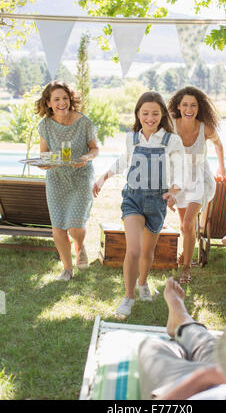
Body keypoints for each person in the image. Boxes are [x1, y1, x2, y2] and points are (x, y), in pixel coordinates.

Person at [93, 91, 185, 317]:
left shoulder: (171, 140)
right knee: (133, 250)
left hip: (157, 201)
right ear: (138, 114)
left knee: (147, 251)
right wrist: (103, 177)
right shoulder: (132, 137)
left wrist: (173, 191)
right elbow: (124, 160)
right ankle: (128, 297)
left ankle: (142, 283)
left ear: (162, 114)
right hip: (132, 198)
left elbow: (179, 170)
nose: (150, 118)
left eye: (155, 113)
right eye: (145, 113)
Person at [35, 81, 99, 281]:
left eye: (65, 98)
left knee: (75, 227)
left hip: (80, 176)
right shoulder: (45, 125)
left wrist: (86, 158)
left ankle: (80, 246)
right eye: (57, 99)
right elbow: (44, 154)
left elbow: (95, 149)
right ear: (48, 103)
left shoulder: (84, 121)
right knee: (58, 228)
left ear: (70, 100)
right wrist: (45, 164)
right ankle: (67, 269)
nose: (62, 102)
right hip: (56, 178)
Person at [168, 86, 226, 284]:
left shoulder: (205, 128)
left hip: (201, 180)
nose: (189, 108)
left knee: (187, 224)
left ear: (198, 107)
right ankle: (186, 254)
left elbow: (219, 145)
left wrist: (221, 168)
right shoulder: (171, 126)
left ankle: (186, 268)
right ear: (178, 106)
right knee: (185, 226)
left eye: (193, 105)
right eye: (185, 104)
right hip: (181, 182)